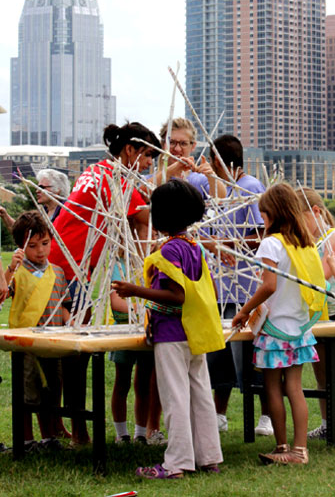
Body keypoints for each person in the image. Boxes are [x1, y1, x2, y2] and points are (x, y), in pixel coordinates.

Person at [50, 120, 161, 446]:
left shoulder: (102, 171)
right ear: (130, 150)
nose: (147, 166)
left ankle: (67, 427)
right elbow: (148, 217)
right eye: (146, 159)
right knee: (74, 353)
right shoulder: (114, 179)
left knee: (72, 354)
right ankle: (76, 430)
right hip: (68, 267)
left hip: (73, 267)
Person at [112, 179, 224, 479]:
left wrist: (135, 290)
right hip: (195, 333)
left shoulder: (170, 251)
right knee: (199, 395)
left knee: (175, 398)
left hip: (173, 335)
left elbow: (178, 296)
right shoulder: (194, 247)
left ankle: (176, 464)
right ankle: (208, 457)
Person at [232, 182, 327, 465]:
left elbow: (268, 285)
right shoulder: (305, 244)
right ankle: (300, 449)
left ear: (272, 214)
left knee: (273, 388)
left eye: (263, 214)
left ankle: (283, 447)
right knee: (295, 388)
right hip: (298, 329)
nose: (262, 219)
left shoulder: (271, 243)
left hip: (274, 329)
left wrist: (245, 310)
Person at [207, 134, 272, 436]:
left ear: (221, 161)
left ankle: (266, 416)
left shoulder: (251, 188)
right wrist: (214, 245)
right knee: (218, 355)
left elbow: (262, 235)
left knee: (253, 356)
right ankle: (218, 414)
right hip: (219, 288)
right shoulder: (217, 192)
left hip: (246, 287)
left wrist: (230, 245)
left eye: (212, 161)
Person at [6, 211, 71, 450]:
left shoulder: (59, 272)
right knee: (27, 393)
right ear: (21, 247)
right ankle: (26, 440)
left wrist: (72, 324)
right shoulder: (17, 273)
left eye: (45, 243)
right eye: (32, 246)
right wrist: (10, 270)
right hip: (26, 344)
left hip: (53, 342)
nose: (40, 251)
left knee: (51, 390)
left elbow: (64, 307)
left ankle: (48, 437)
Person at [295, 187, 335, 440]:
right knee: (322, 376)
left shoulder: (334, 237)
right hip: (318, 318)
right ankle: (328, 424)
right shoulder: (309, 243)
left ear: (315, 211)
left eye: (300, 218)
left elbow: (317, 279)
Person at [109, 259, 155, 444]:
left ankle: (141, 433)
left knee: (144, 382)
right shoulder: (118, 265)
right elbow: (116, 302)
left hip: (147, 330)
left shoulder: (154, 262)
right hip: (124, 329)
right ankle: (121, 434)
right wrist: (143, 310)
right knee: (122, 381)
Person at [156, 117, 225, 198]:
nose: (177, 148)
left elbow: (221, 199)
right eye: (171, 142)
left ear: (193, 146)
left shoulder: (199, 180)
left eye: (183, 143)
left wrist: (211, 176)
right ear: (162, 144)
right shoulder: (151, 179)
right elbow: (144, 192)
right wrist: (169, 172)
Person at [0, 168, 71, 233]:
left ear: (57, 189)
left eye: (42, 187)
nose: (37, 191)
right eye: (37, 187)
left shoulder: (68, 212)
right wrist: (4, 215)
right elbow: (22, 233)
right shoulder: (42, 212)